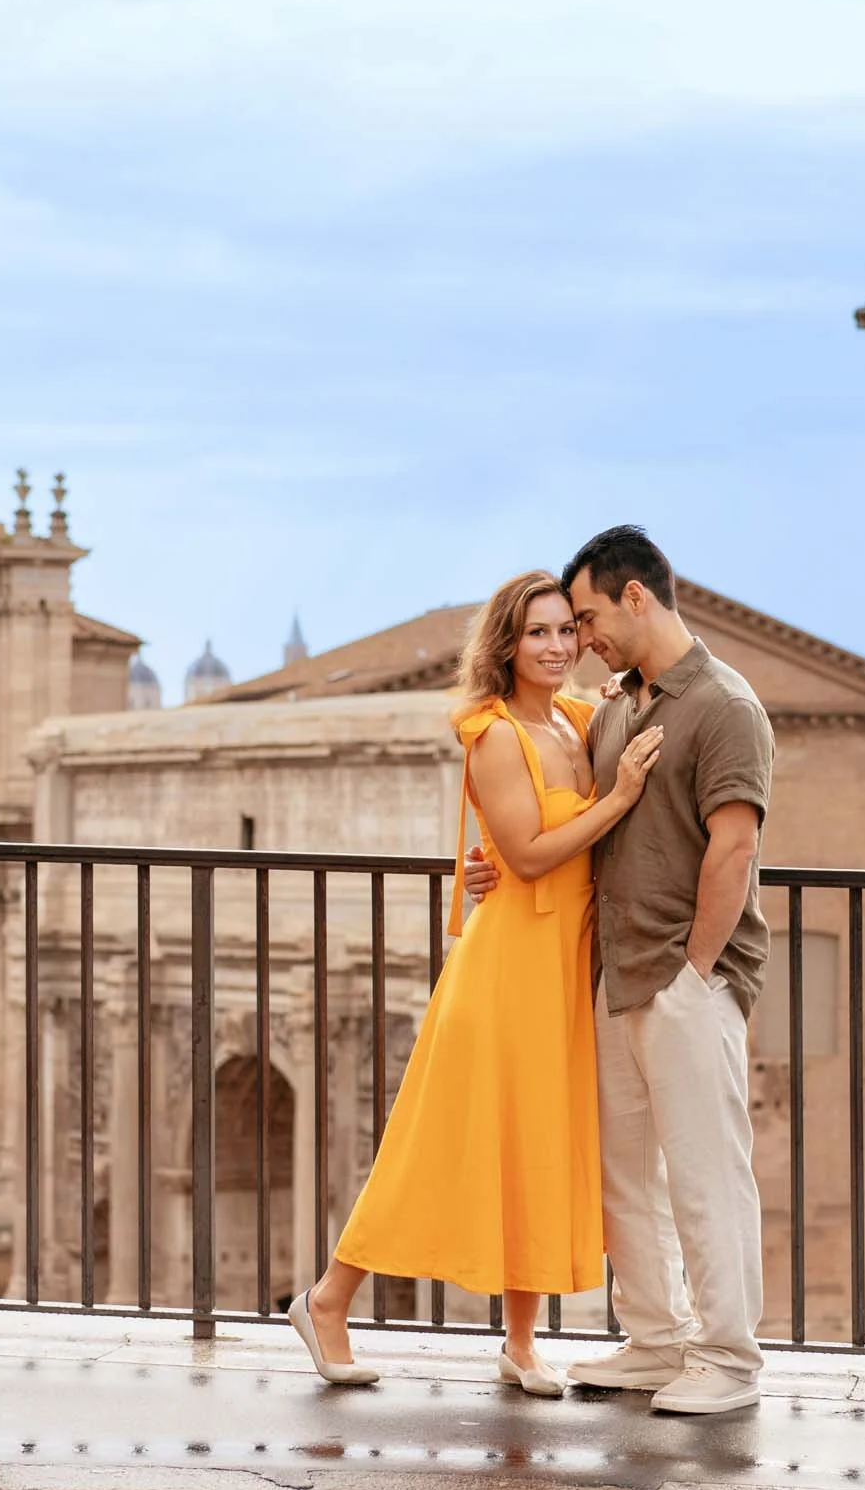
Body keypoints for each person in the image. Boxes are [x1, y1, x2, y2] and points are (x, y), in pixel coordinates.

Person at [288, 570, 664, 1396]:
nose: (558, 645)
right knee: (430, 1145)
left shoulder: (576, 719)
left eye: (568, 629)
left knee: (535, 1146)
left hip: (564, 965)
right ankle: (325, 1300)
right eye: (539, 633)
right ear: (507, 643)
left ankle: (521, 1343)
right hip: (505, 969)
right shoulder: (493, 734)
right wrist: (621, 797)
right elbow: (527, 855)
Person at [467, 525, 772, 1414]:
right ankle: (656, 1338)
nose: (583, 637)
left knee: (707, 1170)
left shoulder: (724, 705)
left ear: (637, 596)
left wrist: (696, 969)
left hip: (683, 979)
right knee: (625, 1174)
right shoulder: (618, 707)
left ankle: (728, 1357)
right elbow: (558, 822)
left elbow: (735, 847)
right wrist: (490, 865)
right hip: (613, 974)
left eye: (591, 616)